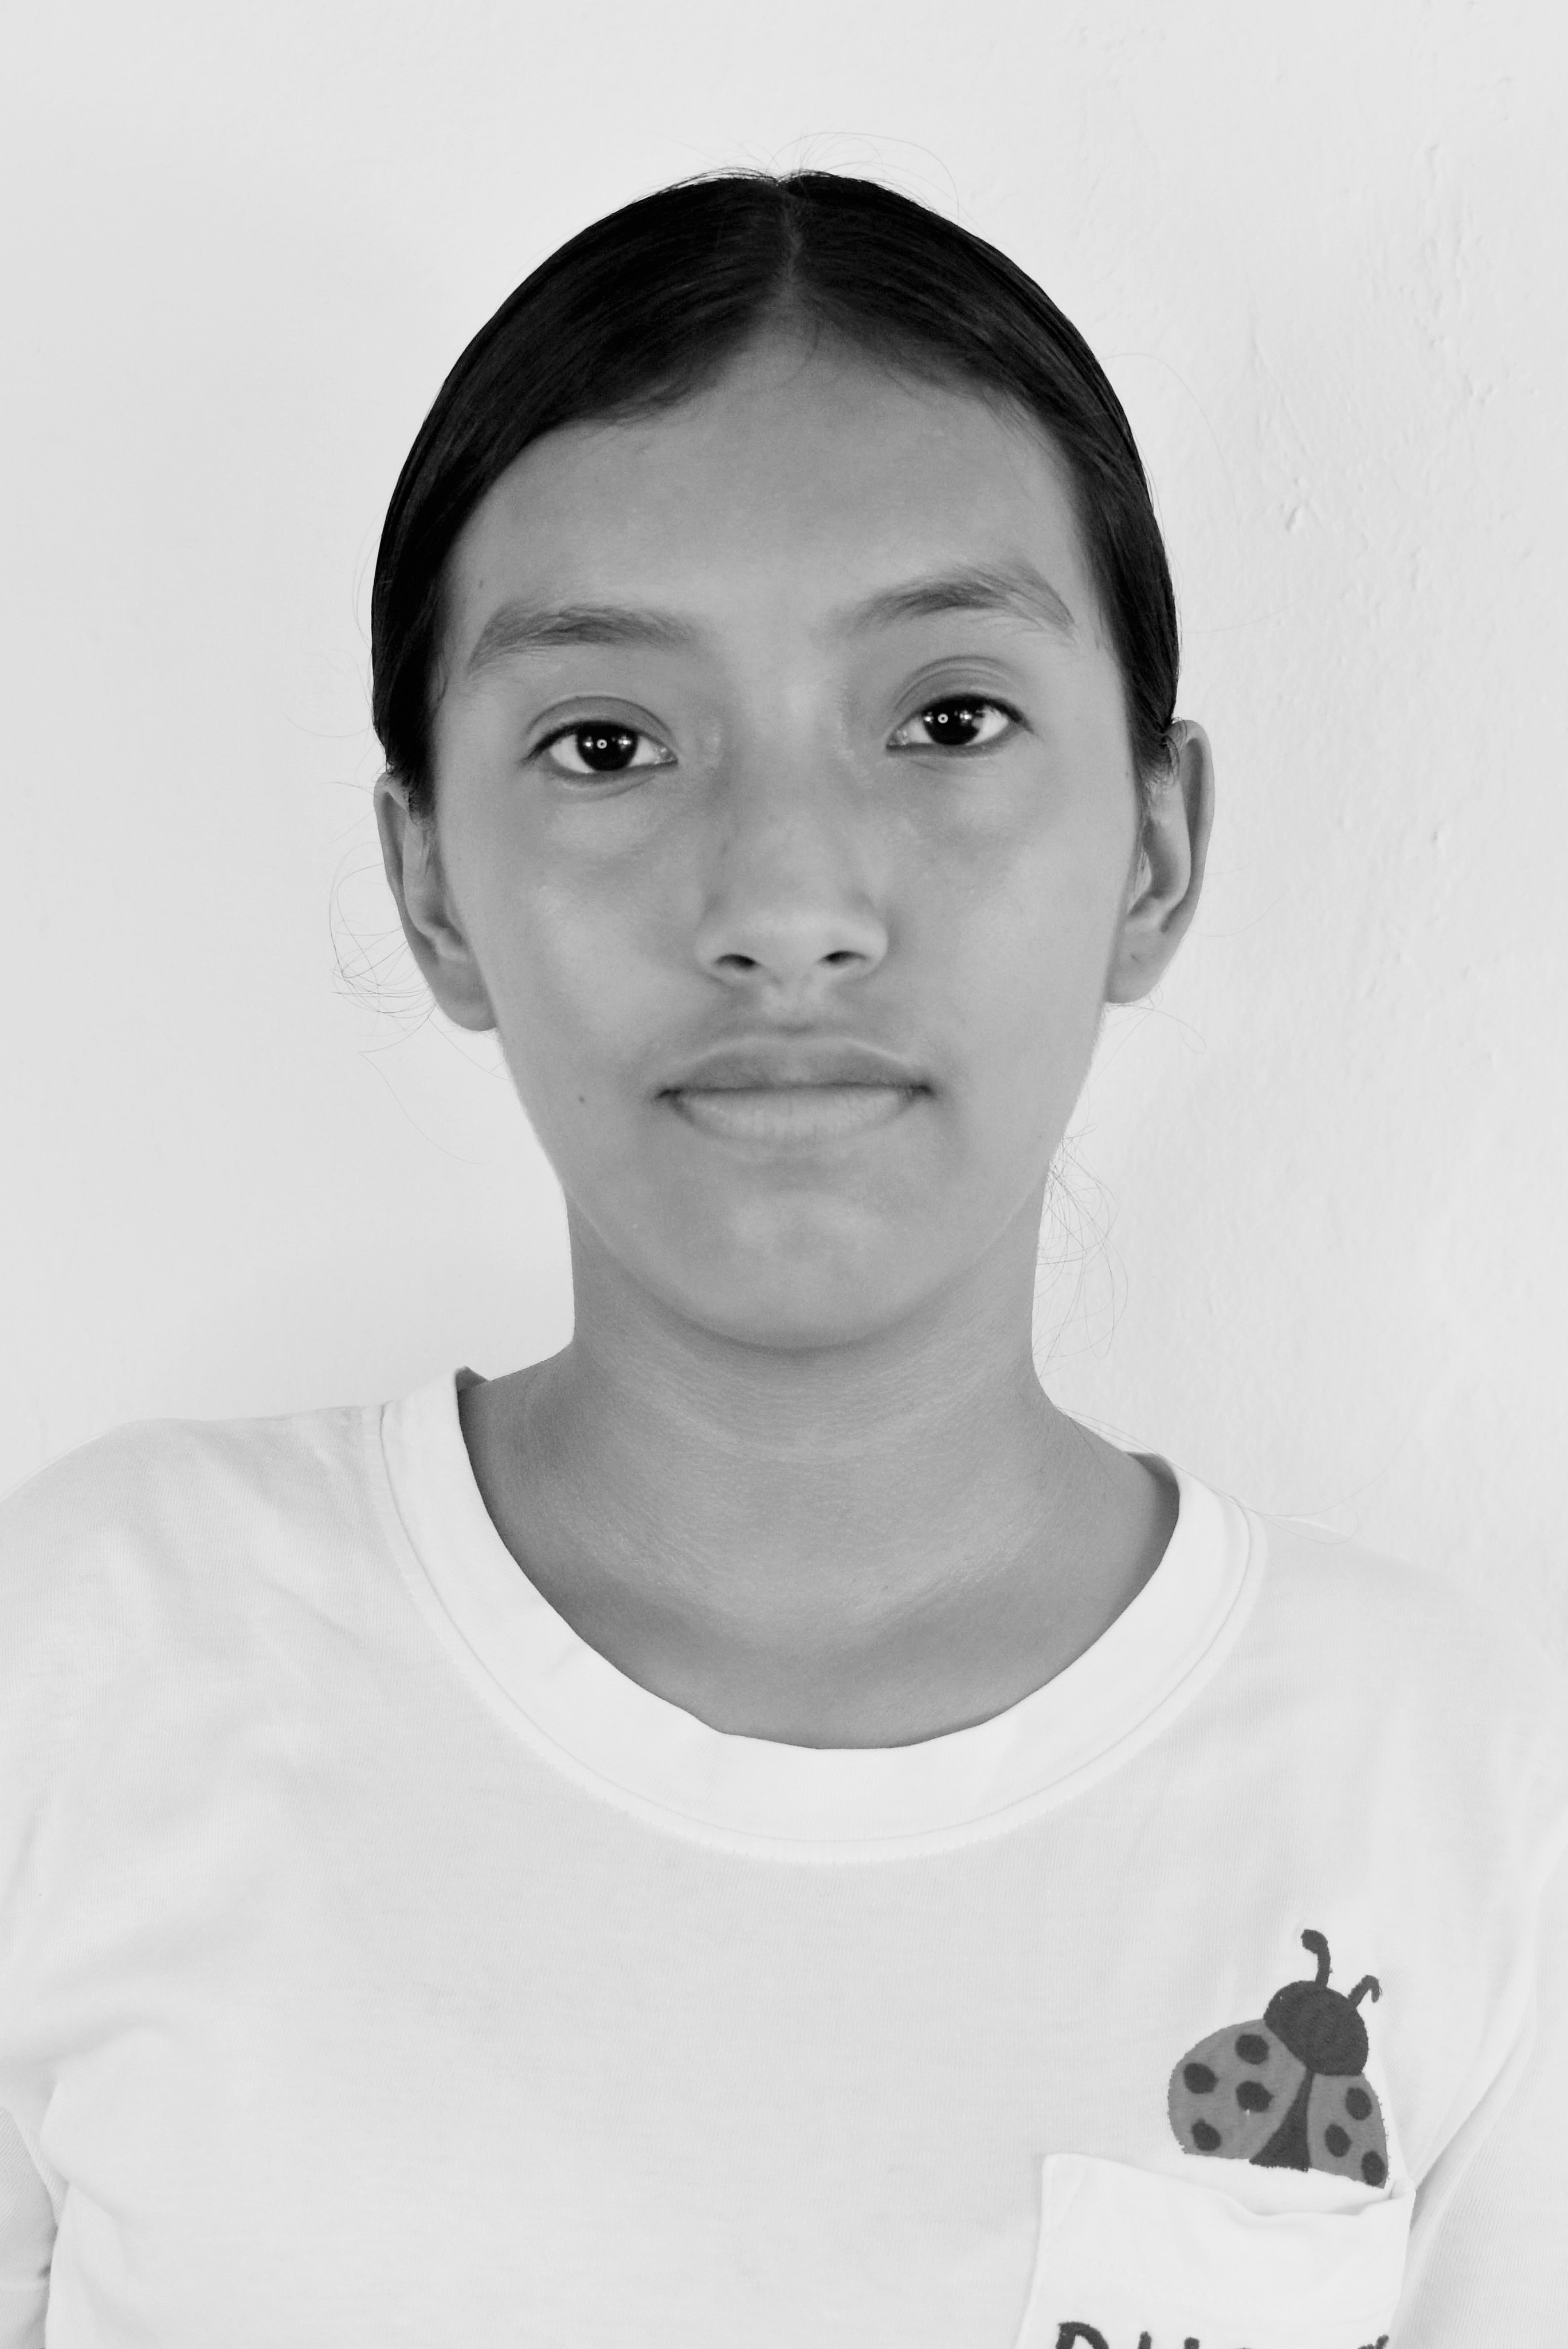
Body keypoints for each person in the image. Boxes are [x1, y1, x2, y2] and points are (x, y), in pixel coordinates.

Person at [0, 169, 1563, 2349]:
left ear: (1157, 844)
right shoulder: (91, 1664)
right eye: (608, 743)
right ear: (432, 886)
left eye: (948, 719)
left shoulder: (1455, 1789)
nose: (787, 904)